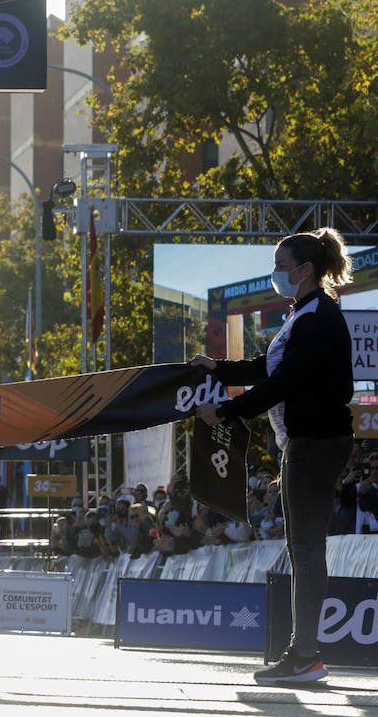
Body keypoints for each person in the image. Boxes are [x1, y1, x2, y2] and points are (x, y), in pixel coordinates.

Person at [192, 228, 354, 686]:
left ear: (305, 270)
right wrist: (217, 368)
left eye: (281, 267)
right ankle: (304, 653)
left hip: (314, 444)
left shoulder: (318, 317)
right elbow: (269, 366)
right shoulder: (306, 313)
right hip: (308, 442)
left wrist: (224, 411)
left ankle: (304, 657)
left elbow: (283, 384)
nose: (275, 274)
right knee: (302, 549)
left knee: (305, 549)